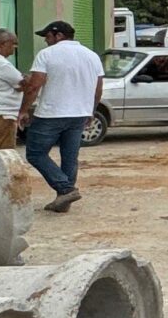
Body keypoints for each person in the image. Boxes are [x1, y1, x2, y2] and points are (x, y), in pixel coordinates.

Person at [19, 19, 104, 213]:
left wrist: (23, 110)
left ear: (59, 35)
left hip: (51, 113)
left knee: (35, 153)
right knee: (69, 157)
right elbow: (98, 89)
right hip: (79, 114)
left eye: (47, 37)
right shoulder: (92, 56)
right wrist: (91, 110)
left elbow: (34, 85)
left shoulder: (46, 55)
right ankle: (63, 200)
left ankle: (65, 189)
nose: (46, 41)